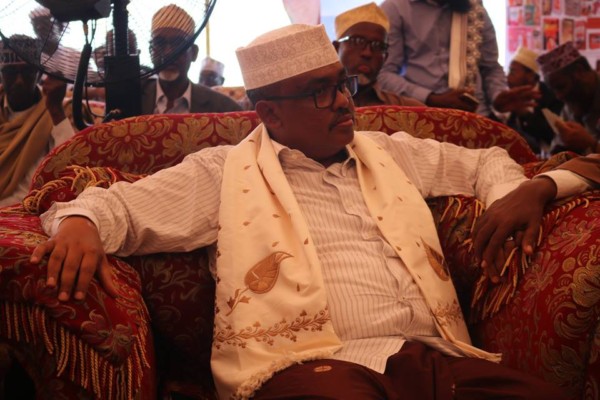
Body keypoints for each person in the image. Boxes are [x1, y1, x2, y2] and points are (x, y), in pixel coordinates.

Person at [32, 24, 597, 399]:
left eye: (341, 86)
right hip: (311, 367)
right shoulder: (223, 172)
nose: (345, 102)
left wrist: (529, 191)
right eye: (320, 92)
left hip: (435, 357)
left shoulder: (392, 151)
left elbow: (487, 162)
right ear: (270, 114)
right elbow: (117, 207)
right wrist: (81, 223)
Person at [378, 0, 539, 118]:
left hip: (477, 117)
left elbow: (490, 67)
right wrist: (431, 99)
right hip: (423, 118)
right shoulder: (395, 8)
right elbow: (384, 74)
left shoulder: (475, 10)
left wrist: (498, 95)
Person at [0, 35, 74, 207]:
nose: (19, 81)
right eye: (11, 73)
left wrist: (55, 110)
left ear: (39, 73)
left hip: (28, 209)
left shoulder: (58, 109)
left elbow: (72, 166)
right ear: (1, 74)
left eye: (27, 72)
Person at [142, 4, 241, 114]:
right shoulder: (134, 100)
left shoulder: (224, 109)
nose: (168, 53)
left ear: (194, 53)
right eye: (159, 43)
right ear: (150, 50)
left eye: (178, 44)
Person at [333, 2, 423, 107]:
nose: (367, 53)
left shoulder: (406, 110)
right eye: (358, 41)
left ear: (385, 58)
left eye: (378, 46)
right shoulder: (318, 107)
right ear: (336, 48)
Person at [537, 41, 600, 155]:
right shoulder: (571, 107)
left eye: (561, 87)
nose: (559, 96)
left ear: (580, 71)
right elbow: (556, 149)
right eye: (554, 91)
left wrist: (592, 144)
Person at [506, 46, 563, 156]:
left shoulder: (552, 97)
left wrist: (526, 115)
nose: (507, 76)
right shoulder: (508, 98)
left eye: (512, 72)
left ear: (530, 75)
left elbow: (554, 134)